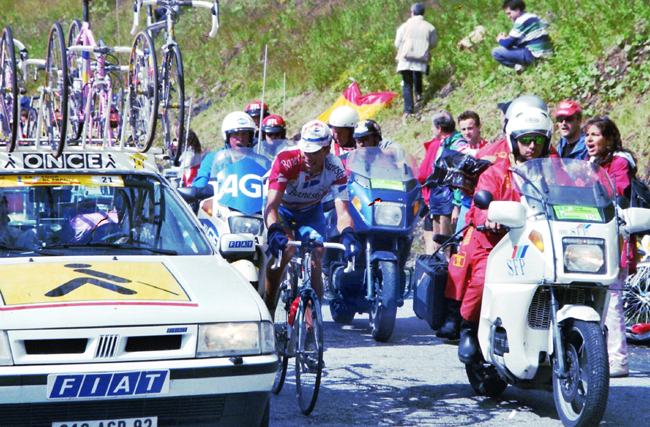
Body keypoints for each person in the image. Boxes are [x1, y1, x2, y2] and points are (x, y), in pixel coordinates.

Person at [446, 106, 553, 363]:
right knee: (483, 280)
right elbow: (478, 208)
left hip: (541, 243)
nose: (531, 146)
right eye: (525, 139)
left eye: (537, 140)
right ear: (513, 141)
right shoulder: (495, 173)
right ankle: (469, 328)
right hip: (497, 244)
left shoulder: (552, 173)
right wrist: (490, 218)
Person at [265, 120, 361, 313]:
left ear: (326, 150)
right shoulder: (286, 160)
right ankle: (269, 305)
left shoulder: (335, 168)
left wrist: (349, 234)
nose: (308, 157)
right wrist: (274, 230)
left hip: (310, 211)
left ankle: (312, 325)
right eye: (305, 151)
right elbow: (271, 207)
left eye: (315, 152)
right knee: (286, 251)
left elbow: (342, 212)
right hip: (282, 209)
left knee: (316, 257)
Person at [585, 117, 635, 377]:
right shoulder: (589, 164)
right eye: (587, 135)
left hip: (617, 240)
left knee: (612, 299)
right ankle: (597, 356)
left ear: (609, 138)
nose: (589, 140)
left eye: (595, 135)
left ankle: (619, 360)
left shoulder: (619, 162)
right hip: (589, 242)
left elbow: (617, 195)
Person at [417, 111, 466, 253]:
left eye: (432, 127)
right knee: (438, 244)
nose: (431, 130)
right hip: (438, 200)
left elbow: (458, 175)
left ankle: (449, 274)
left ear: (439, 128)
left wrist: (456, 205)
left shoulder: (456, 143)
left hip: (448, 202)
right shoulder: (443, 144)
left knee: (447, 245)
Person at [394, 2, 437, 118]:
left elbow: (397, 43)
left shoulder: (404, 26)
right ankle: (419, 94)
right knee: (417, 75)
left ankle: (409, 111)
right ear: (423, 13)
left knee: (407, 84)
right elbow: (433, 44)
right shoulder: (430, 27)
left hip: (406, 59)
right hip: (420, 59)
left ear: (412, 13)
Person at [192, 111, 256, 188]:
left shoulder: (259, 160)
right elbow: (199, 186)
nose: (240, 138)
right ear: (227, 137)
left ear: (250, 137)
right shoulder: (212, 159)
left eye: (244, 134)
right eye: (235, 134)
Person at [492, 0, 552, 73]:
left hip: (535, 55)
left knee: (495, 52)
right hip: (546, 53)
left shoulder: (521, 20)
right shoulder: (532, 16)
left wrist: (500, 39)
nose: (508, 16)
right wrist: (507, 39)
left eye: (509, 13)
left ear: (517, 10)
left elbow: (507, 44)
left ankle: (518, 67)